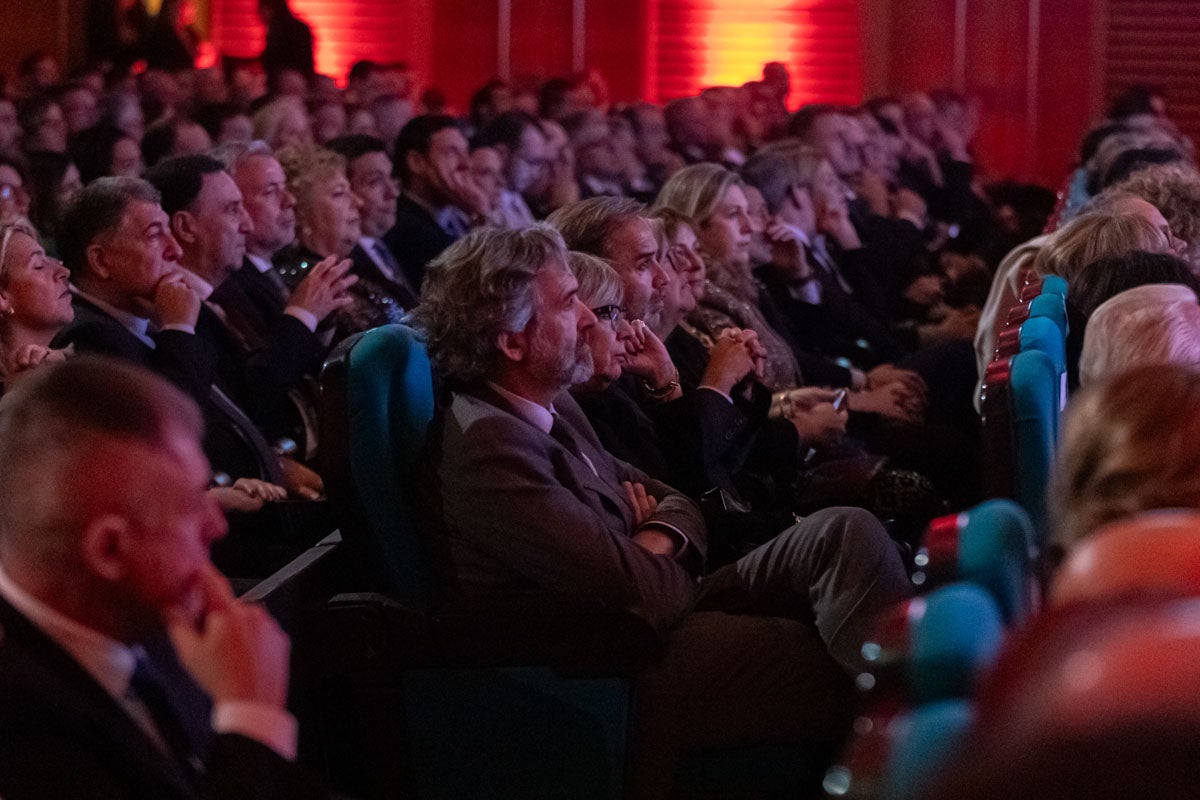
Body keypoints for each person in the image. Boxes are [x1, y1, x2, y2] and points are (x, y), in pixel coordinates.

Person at [414, 223, 912, 798]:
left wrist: (652, 533)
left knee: (847, 531)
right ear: (512, 341)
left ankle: (928, 732)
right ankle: (940, 758)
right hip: (620, 657)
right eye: (569, 302)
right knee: (844, 662)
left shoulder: (550, 405)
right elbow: (639, 594)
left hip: (669, 597)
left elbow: (675, 499)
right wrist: (652, 542)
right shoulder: (489, 449)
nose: (587, 319)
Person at [0, 356, 323, 799]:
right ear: (110, 551)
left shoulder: (147, 620)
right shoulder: (24, 740)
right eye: (192, 503)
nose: (218, 524)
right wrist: (250, 718)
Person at [275, 144, 403, 341]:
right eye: (339, 193)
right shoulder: (302, 289)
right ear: (300, 212)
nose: (357, 202)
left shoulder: (355, 268)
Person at [384, 114, 485, 290]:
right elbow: (469, 287)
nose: (465, 164)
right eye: (452, 152)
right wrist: (480, 215)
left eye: (465, 152)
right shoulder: (407, 228)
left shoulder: (454, 213)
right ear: (416, 162)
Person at [324, 134, 419, 307]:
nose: (393, 193)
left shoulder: (392, 243)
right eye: (375, 182)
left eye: (391, 178)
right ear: (346, 190)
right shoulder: (344, 264)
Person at [0, 218, 72, 384]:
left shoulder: (82, 359)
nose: (64, 271)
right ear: (2, 297)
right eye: (39, 265)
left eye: (51, 259)